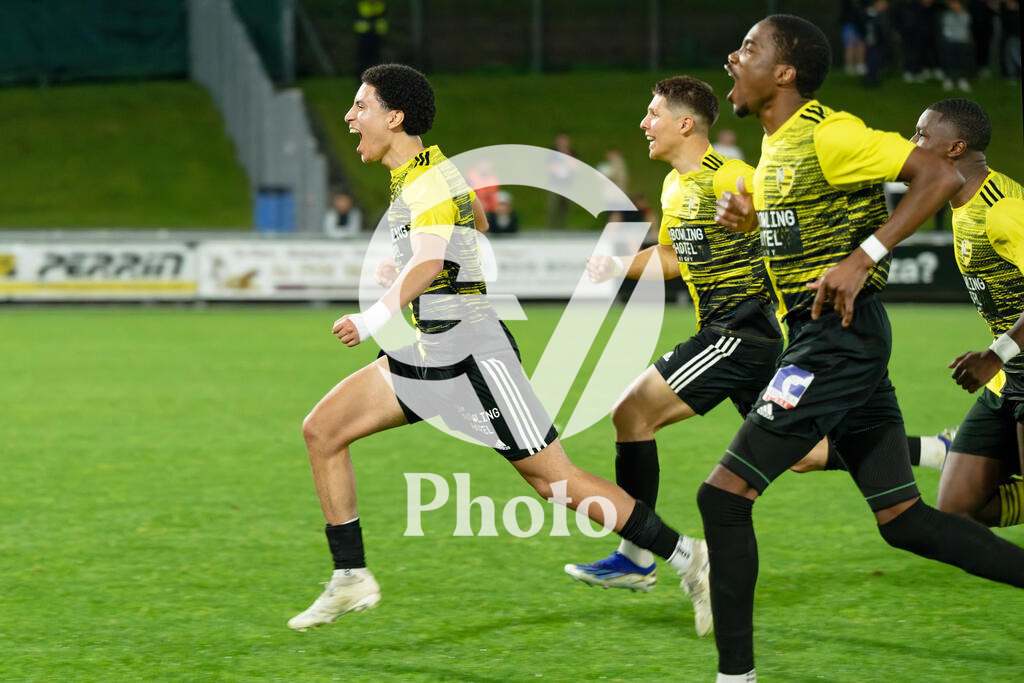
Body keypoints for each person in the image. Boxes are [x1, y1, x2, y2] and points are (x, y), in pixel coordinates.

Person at [288, 64, 709, 633]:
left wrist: (375, 314)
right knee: (323, 429)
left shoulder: (427, 180)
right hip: (436, 346)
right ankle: (350, 575)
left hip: (472, 353)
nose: (349, 115)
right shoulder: (427, 171)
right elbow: (476, 224)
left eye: (360, 105)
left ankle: (690, 556)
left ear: (394, 117)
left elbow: (435, 259)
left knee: (554, 479)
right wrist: (424, 258)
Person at [708, 15, 1024, 681]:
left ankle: (734, 676)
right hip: (835, 338)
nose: (733, 58)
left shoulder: (829, 132)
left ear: (785, 73)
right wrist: (753, 220)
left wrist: (864, 257)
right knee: (904, 519)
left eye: (750, 49)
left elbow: (935, 178)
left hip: (834, 343)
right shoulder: (776, 151)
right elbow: (809, 230)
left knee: (723, 497)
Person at [563, 76, 955, 610]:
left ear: (684, 124)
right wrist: (617, 267)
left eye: (653, 114)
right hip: (737, 335)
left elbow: (783, 228)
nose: (643, 124)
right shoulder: (675, 188)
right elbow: (675, 259)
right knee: (804, 453)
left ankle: (636, 556)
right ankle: (935, 450)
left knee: (632, 413)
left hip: (740, 331)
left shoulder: (738, 177)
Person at [910, 98, 1024, 527]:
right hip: (1008, 375)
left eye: (921, 134)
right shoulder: (962, 202)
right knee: (958, 507)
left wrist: (996, 353)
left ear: (955, 148)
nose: (911, 142)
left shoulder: (1003, 210)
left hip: (1010, 361)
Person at [940, 0, 975, 92]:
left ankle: (962, 80)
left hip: (963, 41)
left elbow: (965, 25)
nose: (954, 6)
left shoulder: (965, 15)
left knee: (963, 61)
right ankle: (949, 79)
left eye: (956, 4)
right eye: (952, 4)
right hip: (951, 42)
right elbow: (947, 28)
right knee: (950, 60)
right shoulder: (947, 15)